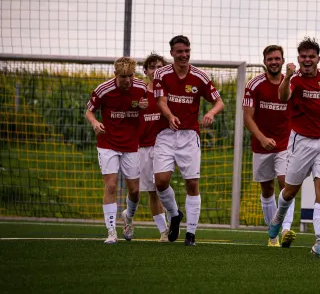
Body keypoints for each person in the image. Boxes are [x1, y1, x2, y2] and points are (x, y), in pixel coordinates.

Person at [267, 37, 320, 259]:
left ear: (318, 58)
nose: (307, 60)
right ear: (298, 58)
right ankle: (277, 219)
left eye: (311, 56)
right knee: (290, 191)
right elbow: (282, 97)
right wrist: (289, 76)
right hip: (301, 140)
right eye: (303, 56)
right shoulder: (293, 79)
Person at [153, 35, 225, 246]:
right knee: (161, 181)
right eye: (179, 51)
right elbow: (160, 101)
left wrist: (211, 113)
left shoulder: (200, 77)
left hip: (189, 136)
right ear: (172, 53)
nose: (184, 55)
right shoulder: (161, 74)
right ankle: (175, 214)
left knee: (192, 184)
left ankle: (191, 234)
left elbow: (219, 102)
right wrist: (170, 116)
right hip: (165, 134)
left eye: (187, 51)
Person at [85, 57, 148, 244]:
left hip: (130, 145)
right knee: (111, 185)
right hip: (107, 143)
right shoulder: (103, 89)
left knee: (135, 191)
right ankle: (111, 232)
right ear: (115, 75)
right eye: (123, 77)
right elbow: (89, 111)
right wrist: (95, 123)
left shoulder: (141, 87)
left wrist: (144, 106)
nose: (127, 80)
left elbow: (144, 108)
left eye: (130, 76)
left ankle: (128, 217)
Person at [243, 45, 295, 247]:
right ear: (265, 62)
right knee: (267, 189)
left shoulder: (290, 82)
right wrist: (262, 138)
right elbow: (247, 117)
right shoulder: (254, 84)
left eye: (277, 58)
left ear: (282, 61)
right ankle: (272, 235)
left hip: (286, 143)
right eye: (270, 59)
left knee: (286, 184)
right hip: (261, 144)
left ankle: (286, 229)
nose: (274, 62)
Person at [137, 53, 169, 242]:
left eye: (160, 67)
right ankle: (163, 231)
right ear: (146, 71)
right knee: (151, 190)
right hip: (142, 147)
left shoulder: (169, 92)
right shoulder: (139, 92)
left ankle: (172, 218)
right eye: (152, 67)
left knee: (162, 186)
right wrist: (136, 107)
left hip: (164, 146)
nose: (156, 71)